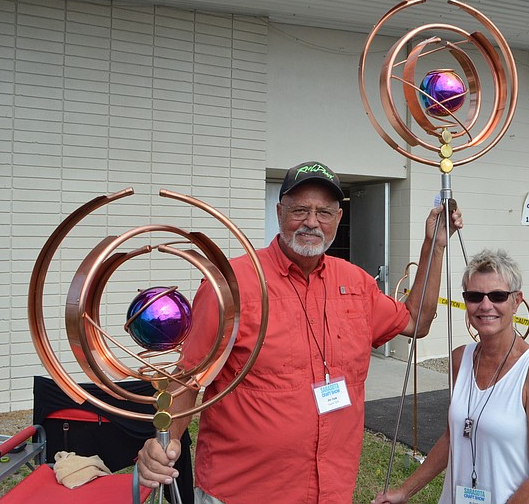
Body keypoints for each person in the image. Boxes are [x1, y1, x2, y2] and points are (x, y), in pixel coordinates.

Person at [137, 160, 463, 504]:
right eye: (300, 210)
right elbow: (188, 378)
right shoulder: (231, 285)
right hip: (243, 492)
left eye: (324, 212)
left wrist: (435, 245)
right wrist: (167, 440)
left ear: (338, 217)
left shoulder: (356, 283)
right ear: (280, 213)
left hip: (332, 490)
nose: (311, 222)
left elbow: (416, 321)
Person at [374, 249, 529, 504]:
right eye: (475, 296)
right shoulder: (460, 359)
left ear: (516, 301)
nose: (485, 305)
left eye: (497, 296)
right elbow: (453, 437)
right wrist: (404, 491)